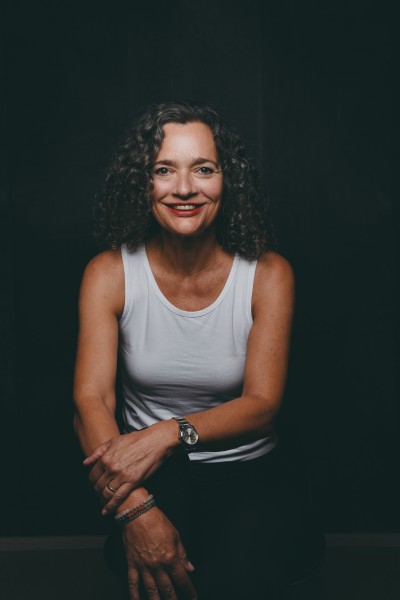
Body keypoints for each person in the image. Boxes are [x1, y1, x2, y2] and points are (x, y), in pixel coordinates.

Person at [73, 101, 324, 600]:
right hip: (151, 476)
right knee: (164, 580)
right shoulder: (109, 272)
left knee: (239, 582)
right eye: (164, 170)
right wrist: (134, 509)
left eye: (203, 169)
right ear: (142, 182)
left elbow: (263, 405)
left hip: (248, 471)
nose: (184, 188)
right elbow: (90, 401)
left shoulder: (269, 274)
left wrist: (168, 432)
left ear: (228, 180)